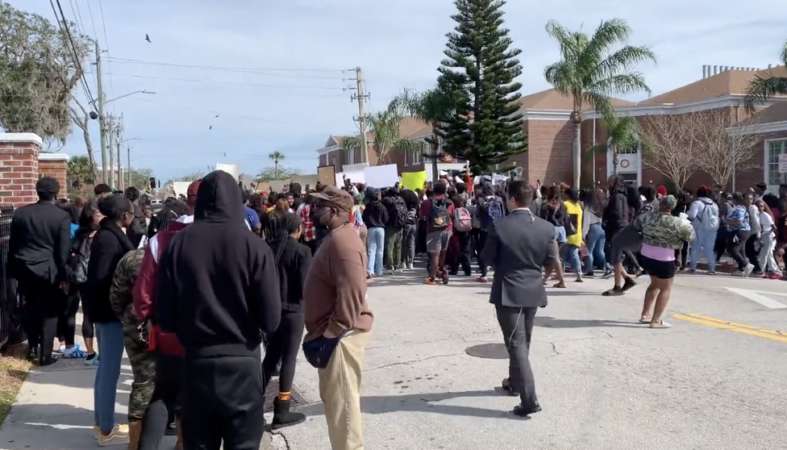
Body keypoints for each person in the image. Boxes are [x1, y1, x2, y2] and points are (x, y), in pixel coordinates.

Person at [156, 171, 280, 449]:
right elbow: (271, 320)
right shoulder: (255, 247)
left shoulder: (178, 244)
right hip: (242, 364)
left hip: (196, 363)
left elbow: (164, 317)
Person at [303, 186, 374, 450]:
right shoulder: (337, 237)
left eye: (319, 206)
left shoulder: (343, 241)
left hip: (341, 338)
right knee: (337, 408)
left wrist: (332, 333)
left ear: (333, 211)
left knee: (343, 412)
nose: (314, 210)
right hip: (335, 334)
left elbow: (353, 290)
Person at [481, 180, 557, 417]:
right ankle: (515, 382)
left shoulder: (499, 225)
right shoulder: (546, 227)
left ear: (512, 199)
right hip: (533, 287)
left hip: (508, 289)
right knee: (523, 341)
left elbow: (487, 258)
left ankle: (529, 399)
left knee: (516, 342)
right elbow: (551, 259)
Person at [134, 192, 197, 450]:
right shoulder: (229, 234)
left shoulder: (161, 239)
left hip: (168, 330)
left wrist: (147, 317)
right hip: (209, 332)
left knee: (164, 393)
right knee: (197, 397)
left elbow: (144, 290)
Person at [85, 194, 137, 445]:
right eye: (131, 212)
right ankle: (106, 428)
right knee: (110, 369)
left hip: (106, 311)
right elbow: (101, 278)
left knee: (106, 367)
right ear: (123, 215)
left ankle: (101, 423)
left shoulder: (108, 235)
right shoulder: (108, 238)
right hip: (110, 313)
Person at [9, 177, 71, 366]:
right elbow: (63, 251)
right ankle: (45, 354)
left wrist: (13, 270)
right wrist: (64, 275)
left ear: (38, 191)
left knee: (30, 308)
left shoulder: (21, 214)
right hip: (49, 271)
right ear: (56, 193)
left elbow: (13, 245)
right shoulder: (61, 216)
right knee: (50, 312)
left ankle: (32, 347)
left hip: (24, 268)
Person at [262, 212, 311, 429]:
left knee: (270, 358)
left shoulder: (269, 248)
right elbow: (304, 287)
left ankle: (256, 399)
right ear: (298, 229)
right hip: (294, 311)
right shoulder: (302, 251)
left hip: (273, 311)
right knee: (289, 360)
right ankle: (282, 408)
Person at [108, 247, 147, 449]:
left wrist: (127, 316)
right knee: (181, 386)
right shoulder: (186, 252)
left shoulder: (133, 257)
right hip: (176, 330)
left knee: (142, 382)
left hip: (137, 325)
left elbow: (116, 295)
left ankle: (134, 443)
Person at [636, 196, 695, 328]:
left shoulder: (647, 217)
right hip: (664, 258)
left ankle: (645, 315)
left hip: (646, 255)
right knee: (665, 288)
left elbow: (636, 225)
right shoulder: (677, 222)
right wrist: (686, 223)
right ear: (672, 207)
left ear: (660, 204)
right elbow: (691, 236)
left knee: (654, 284)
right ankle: (655, 321)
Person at [68, 200, 102, 364]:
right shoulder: (98, 234)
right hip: (91, 278)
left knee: (92, 315)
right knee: (91, 315)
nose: (102, 217)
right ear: (90, 216)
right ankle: (92, 352)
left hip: (85, 277)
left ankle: (92, 352)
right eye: (98, 214)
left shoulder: (79, 234)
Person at [602, 176, 636, 296]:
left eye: (610, 182)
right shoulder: (623, 196)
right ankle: (627, 279)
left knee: (616, 259)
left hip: (617, 229)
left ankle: (617, 287)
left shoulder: (616, 196)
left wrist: (607, 221)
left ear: (614, 183)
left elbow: (616, 214)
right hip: (622, 227)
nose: (608, 185)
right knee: (615, 258)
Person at [421, 181, 454, 285]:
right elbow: (452, 215)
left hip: (433, 230)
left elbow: (423, 216)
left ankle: (432, 277)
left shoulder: (427, 202)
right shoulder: (449, 202)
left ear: (434, 190)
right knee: (443, 253)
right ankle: (442, 272)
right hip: (447, 230)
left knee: (434, 255)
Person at [475, 183, 505, 282]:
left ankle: (484, 274)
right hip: (498, 228)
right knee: (498, 250)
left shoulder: (481, 200)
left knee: (483, 250)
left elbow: (477, 214)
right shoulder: (499, 199)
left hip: (485, 229)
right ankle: (498, 272)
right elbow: (503, 213)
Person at [687, 186, 720, 274]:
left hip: (699, 228)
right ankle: (712, 268)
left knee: (696, 247)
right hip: (712, 229)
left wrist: (687, 214)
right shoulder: (714, 204)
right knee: (709, 249)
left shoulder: (696, 203)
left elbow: (692, 216)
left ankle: (693, 267)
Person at [725, 193, 755, 277]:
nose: (729, 201)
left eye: (730, 199)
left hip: (741, 231)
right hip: (743, 231)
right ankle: (741, 269)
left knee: (732, 249)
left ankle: (746, 264)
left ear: (734, 200)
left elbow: (739, 221)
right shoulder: (739, 208)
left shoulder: (739, 209)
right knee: (741, 250)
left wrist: (727, 221)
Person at [362, 188, 388, 278]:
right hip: (381, 229)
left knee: (371, 250)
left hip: (371, 229)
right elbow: (386, 218)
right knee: (380, 250)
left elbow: (364, 217)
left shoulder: (368, 207)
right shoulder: (382, 206)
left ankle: (370, 270)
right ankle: (379, 271)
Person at [581, 189, 607, 277]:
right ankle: (607, 266)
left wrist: (584, 234)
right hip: (601, 228)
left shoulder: (588, 207)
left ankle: (589, 269)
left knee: (589, 250)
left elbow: (586, 222)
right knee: (600, 251)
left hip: (592, 228)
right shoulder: (602, 206)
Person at [755, 199, 782, 279]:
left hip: (768, 236)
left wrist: (769, 235)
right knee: (769, 254)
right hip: (763, 236)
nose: (760, 208)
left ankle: (761, 270)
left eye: (761, 206)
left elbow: (774, 227)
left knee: (764, 254)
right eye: (758, 206)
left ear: (764, 207)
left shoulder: (765, 215)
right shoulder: (757, 215)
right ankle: (775, 271)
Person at [382, 188, 407, 273]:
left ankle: (390, 265)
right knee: (398, 246)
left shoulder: (387, 200)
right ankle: (398, 265)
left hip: (391, 225)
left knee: (390, 246)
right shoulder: (402, 200)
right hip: (400, 225)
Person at [563, 189, 584, 282]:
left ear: (568, 195)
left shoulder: (565, 204)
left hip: (567, 234)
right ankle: (579, 272)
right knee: (574, 254)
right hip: (577, 234)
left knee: (561, 255)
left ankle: (560, 273)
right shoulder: (579, 206)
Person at [449, 196, 473, 276]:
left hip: (456, 232)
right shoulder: (465, 210)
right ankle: (467, 270)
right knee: (466, 251)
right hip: (466, 231)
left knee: (456, 252)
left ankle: (454, 270)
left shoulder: (454, 210)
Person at [400, 189, 420, 270]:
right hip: (414, 225)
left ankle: (403, 261)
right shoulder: (415, 205)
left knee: (404, 244)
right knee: (411, 244)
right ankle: (411, 263)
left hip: (406, 224)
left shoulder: (405, 205)